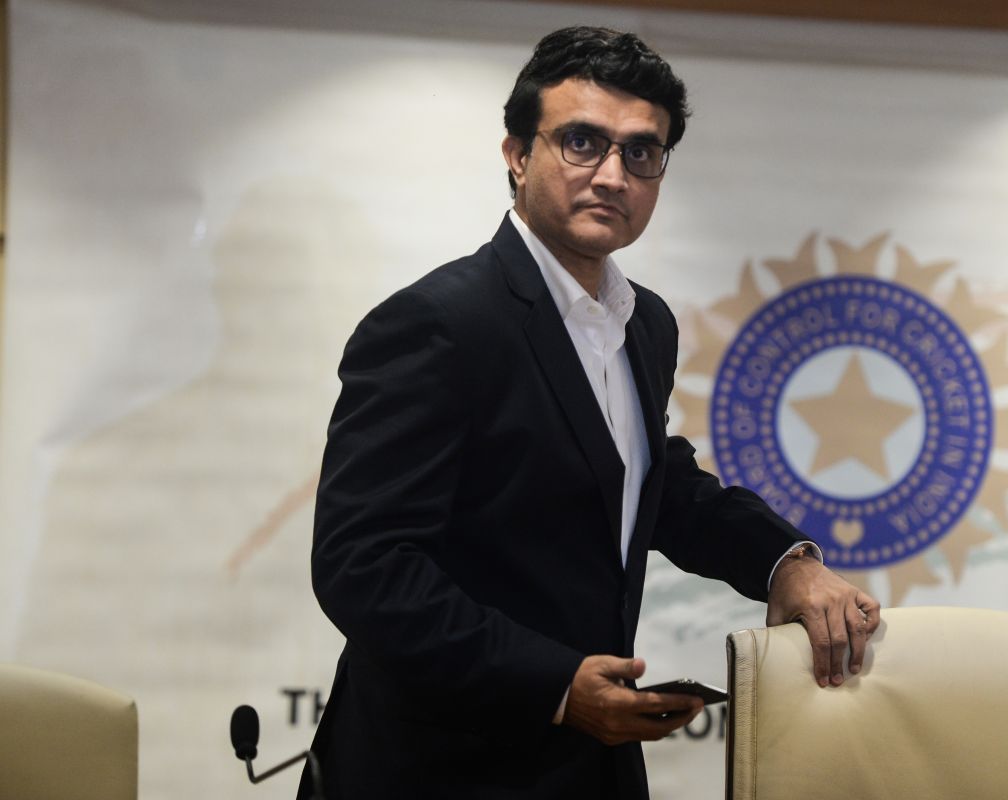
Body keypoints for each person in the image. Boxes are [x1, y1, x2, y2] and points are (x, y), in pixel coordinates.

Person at [303, 26, 880, 800]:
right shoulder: (439, 322)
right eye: (582, 142)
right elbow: (363, 567)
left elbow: (655, 485)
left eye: (641, 153)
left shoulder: (646, 324)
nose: (613, 175)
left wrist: (788, 563)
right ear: (517, 155)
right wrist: (554, 684)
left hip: (590, 767)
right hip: (435, 771)